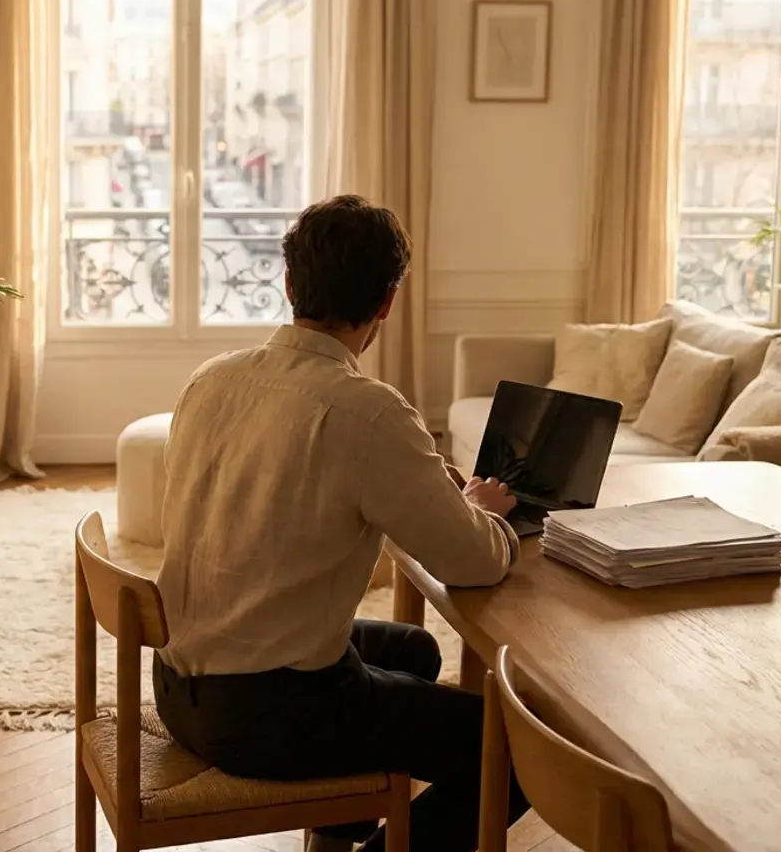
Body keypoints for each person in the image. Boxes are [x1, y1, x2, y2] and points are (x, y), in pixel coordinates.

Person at [152, 194, 531, 851]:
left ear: (291, 283)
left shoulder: (210, 378)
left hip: (176, 684)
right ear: (385, 303)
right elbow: (473, 562)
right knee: (514, 750)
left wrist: (435, 489)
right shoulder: (367, 411)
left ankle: (330, 842)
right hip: (266, 714)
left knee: (412, 651)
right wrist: (487, 516)